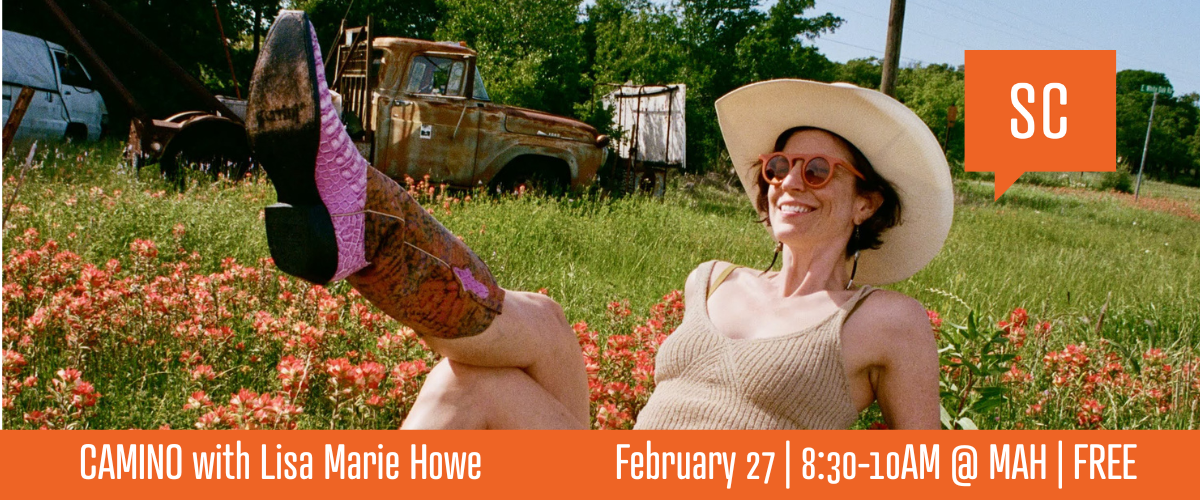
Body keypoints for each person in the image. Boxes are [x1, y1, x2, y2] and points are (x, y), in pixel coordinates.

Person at [248, 12, 952, 430]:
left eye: (817, 170)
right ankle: (360, 220)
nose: (789, 182)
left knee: (476, 379)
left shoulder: (885, 320)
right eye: (778, 168)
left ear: (866, 202)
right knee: (532, 330)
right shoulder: (711, 279)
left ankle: (365, 221)